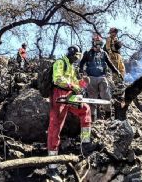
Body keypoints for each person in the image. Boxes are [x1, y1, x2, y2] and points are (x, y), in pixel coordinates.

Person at [47, 45, 92, 182]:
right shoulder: (60, 62)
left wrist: (83, 83)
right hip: (58, 95)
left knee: (85, 109)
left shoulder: (72, 67)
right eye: (77, 56)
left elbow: (75, 84)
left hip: (70, 95)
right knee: (55, 127)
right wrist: (75, 86)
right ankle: (52, 166)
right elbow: (58, 79)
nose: (78, 59)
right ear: (72, 54)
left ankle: (85, 142)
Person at [79, 35, 122, 120]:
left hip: (102, 76)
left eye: (100, 43)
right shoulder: (87, 52)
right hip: (90, 77)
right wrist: (81, 71)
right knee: (92, 97)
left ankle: (108, 114)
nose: (99, 45)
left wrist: (116, 71)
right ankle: (92, 117)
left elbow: (110, 64)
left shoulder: (104, 53)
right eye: (97, 43)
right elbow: (81, 63)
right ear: (93, 43)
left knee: (105, 93)